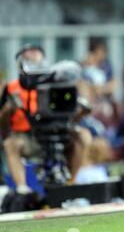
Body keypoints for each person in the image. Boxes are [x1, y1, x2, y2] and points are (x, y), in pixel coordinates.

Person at [0, 45, 91, 203]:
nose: (32, 56)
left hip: (58, 133)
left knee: (83, 135)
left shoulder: (58, 82)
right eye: (27, 54)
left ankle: (70, 184)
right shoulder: (12, 87)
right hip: (29, 137)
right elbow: (2, 122)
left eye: (35, 53)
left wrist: (81, 112)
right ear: (20, 62)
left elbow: (69, 117)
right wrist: (9, 110)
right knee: (10, 144)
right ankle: (22, 191)